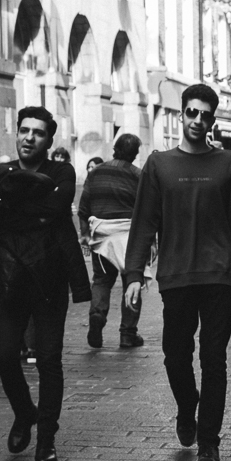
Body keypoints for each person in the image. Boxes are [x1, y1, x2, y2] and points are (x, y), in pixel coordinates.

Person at [124, 86, 231, 461]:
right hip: (174, 276)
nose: (196, 120)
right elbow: (144, 222)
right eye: (190, 112)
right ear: (181, 115)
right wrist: (133, 275)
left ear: (212, 120)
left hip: (216, 277)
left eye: (204, 114)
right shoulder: (159, 164)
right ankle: (185, 404)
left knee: (214, 360)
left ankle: (209, 443)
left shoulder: (228, 163)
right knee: (176, 356)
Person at [0, 106, 91, 461]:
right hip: (10, 280)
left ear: (49, 139)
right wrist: (35, 207)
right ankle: (24, 412)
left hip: (48, 280)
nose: (29, 137)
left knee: (48, 360)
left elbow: (56, 207)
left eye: (38, 132)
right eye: (24, 130)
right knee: (4, 356)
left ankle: (46, 440)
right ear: (16, 133)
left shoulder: (62, 171)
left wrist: (15, 204)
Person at [78, 132, 144, 351]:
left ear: (115, 148)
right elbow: (146, 208)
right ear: (134, 153)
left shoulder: (96, 172)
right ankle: (127, 334)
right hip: (129, 237)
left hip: (102, 234)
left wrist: (85, 234)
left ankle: (97, 315)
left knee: (101, 281)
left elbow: (84, 206)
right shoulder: (138, 175)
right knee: (132, 282)